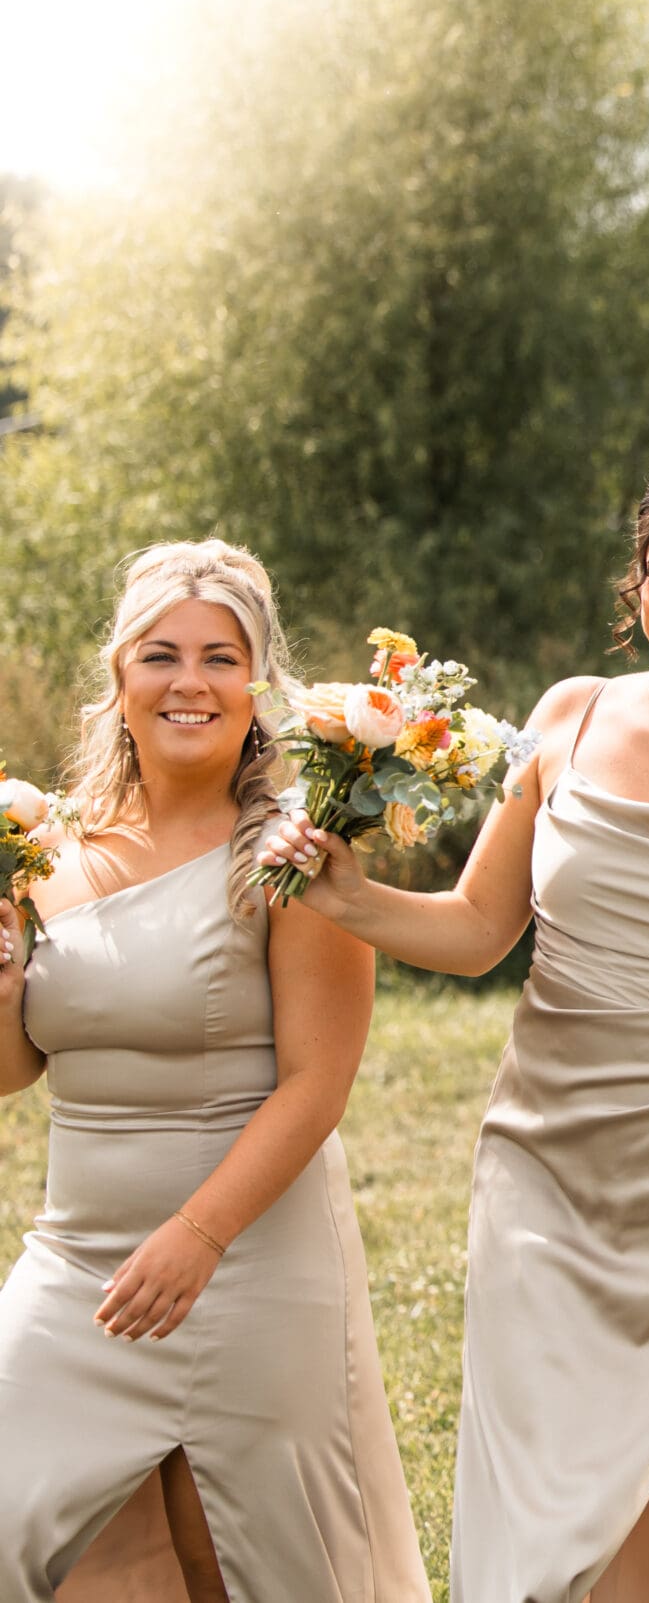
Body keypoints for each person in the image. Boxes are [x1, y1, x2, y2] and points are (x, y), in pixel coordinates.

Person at [260, 459, 649, 1602]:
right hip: (550, 1156)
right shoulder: (566, 716)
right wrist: (349, 896)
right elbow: (478, 926)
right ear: (634, 586)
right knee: (550, 1499)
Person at [0, 539, 428, 1600]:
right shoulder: (43, 851)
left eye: (219, 657)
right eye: (161, 654)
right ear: (119, 675)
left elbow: (317, 1084)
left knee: (265, 1565)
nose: (188, 681)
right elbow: (16, 1069)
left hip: (250, 1260)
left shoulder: (292, 852)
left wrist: (199, 1236)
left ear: (256, 685)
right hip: (79, 1266)